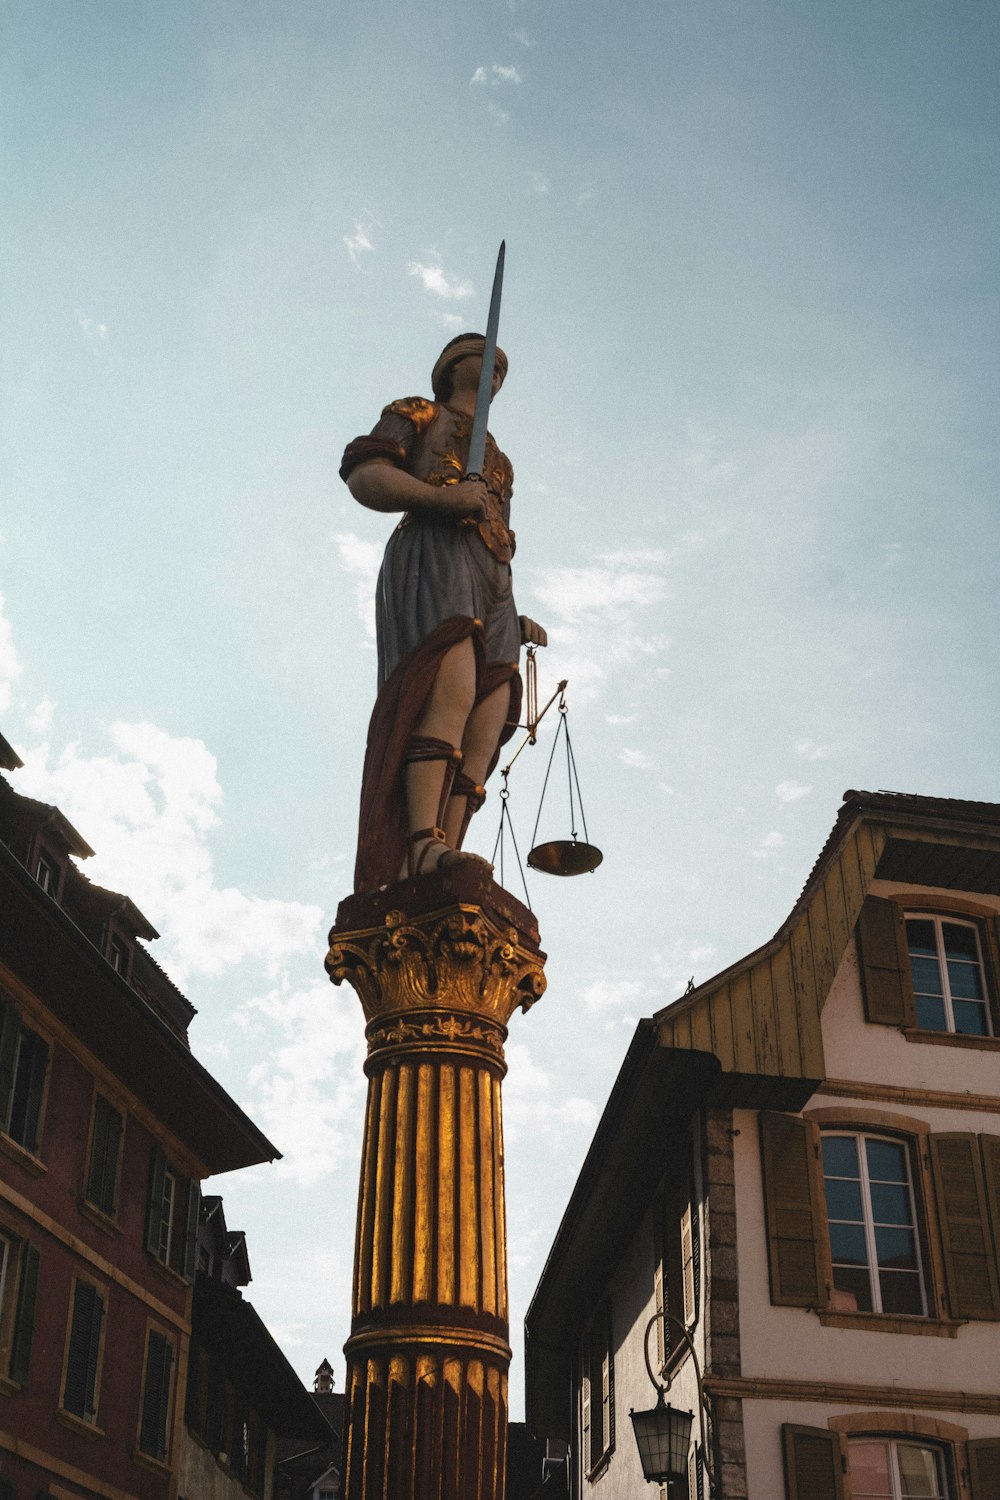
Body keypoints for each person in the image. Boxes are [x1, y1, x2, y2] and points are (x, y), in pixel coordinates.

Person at [341, 332, 546, 891]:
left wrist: (517, 611)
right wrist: (439, 498)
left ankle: (447, 847)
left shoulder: (500, 456)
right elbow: (365, 476)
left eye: (504, 370)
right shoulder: (418, 412)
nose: (497, 376)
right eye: (488, 361)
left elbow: (495, 530)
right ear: (454, 365)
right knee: (448, 689)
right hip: (433, 554)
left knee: (490, 711)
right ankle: (419, 842)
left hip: (493, 579)